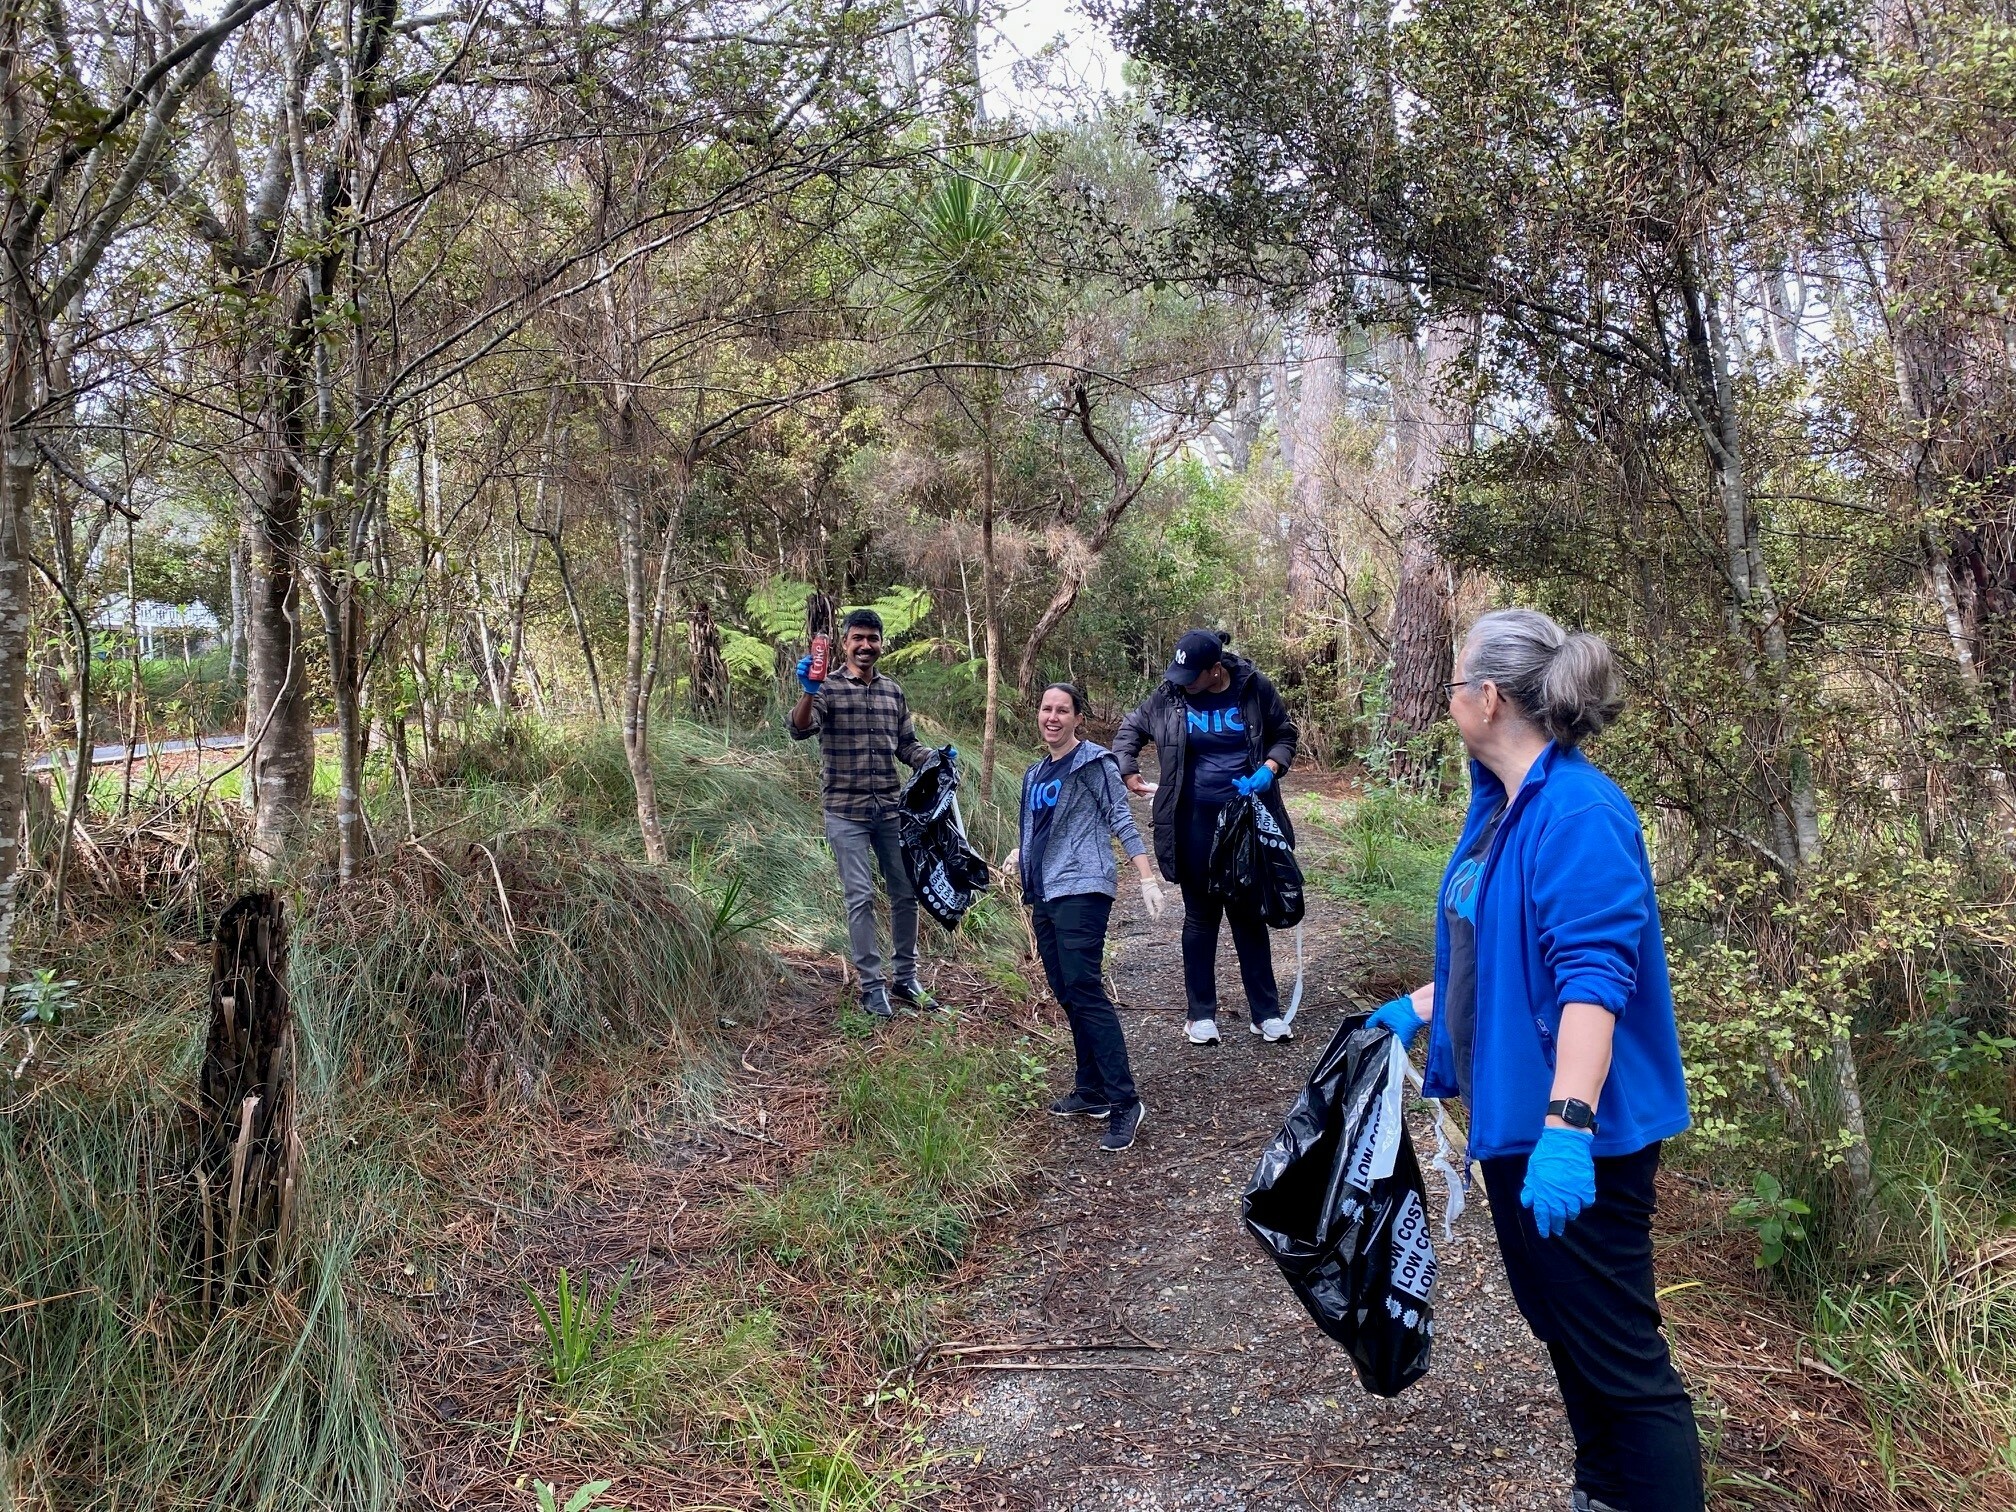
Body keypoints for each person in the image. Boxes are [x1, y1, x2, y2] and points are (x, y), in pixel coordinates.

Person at [1366, 608, 1700, 1512]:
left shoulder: (1578, 810)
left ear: (1488, 698)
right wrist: (1414, 1011)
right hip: (1516, 1122)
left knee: (1623, 1363)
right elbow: (1507, 959)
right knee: (1567, 1331)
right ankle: (1605, 1492)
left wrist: (1568, 1128)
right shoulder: (1506, 808)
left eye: (1453, 684)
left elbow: (1593, 981)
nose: (1446, 701)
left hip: (1579, 1135)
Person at [1002, 684, 1168, 1153]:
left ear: (1078, 718)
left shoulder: (1094, 762)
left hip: (1083, 886)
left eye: (1063, 711)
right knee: (1066, 989)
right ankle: (1091, 1088)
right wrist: (1021, 853)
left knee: (1085, 990)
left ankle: (1125, 1102)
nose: (1052, 717)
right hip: (1044, 891)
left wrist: (1147, 877)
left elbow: (1120, 818)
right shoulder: (1035, 772)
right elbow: (1038, 827)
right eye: (1046, 709)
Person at [1114, 629, 1300, 1045]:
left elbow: (1284, 736)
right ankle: (1200, 1015)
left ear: (1215, 670)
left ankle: (1266, 1013)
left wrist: (1269, 769)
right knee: (1201, 916)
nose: (1184, 683)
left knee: (1248, 914)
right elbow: (1130, 730)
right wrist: (1128, 770)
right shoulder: (1170, 695)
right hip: (1192, 820)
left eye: (1192, 676)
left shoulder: (1254, 688)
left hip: (1245, 819)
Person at [788, 607, 944, 1019]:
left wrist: (935, 759)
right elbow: (800, 728)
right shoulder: (827, 688)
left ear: (881, 644)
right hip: (845, 812)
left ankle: (906, 978)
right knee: (860, 896)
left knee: (905, 893)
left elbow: (906, 745)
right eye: (857, 638)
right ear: (844, 644)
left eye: (872, 638)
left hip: (890, 810)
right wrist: (808, 690)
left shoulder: (892, 691)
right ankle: (872, 987)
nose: (865, 645)